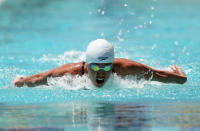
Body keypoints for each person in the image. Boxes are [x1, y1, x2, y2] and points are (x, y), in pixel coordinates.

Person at [14, 39, 187, 88]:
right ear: (87, 65)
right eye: (95, 67)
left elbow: (159, 74)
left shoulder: (126, 69)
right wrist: (22, 81)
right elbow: (41, 77)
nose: (101, 73)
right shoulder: (72, 73)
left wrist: (180, 77)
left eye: (107, 67)